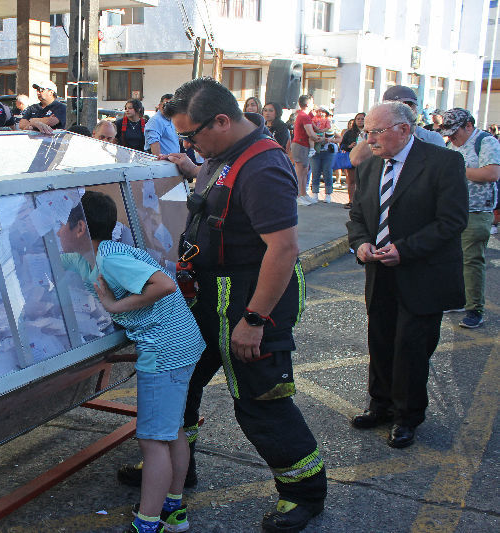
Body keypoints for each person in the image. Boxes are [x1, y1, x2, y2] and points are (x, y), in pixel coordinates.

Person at [135, 77, 327, 532]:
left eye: (192, 134)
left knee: (262, 401)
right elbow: (218, 200)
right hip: (207, 298)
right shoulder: (219, 156)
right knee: (180, 383)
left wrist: (254, 320)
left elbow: (283, 250)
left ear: (222, 120)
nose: (189, 143)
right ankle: (177, 471)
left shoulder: (263, 167)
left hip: (250, 300)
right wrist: (187, 166)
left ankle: (304, 493)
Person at [58, 191, 203, 533]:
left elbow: (164, 284)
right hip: (181, 345)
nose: (57, 232)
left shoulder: (110, 260)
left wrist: (116, 307)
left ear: (80, 228)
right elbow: (56, 260)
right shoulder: (97, 255)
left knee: (152, 440)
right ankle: (174, 509)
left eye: (62, 225)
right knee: (171, 431)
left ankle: (148, 522)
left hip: (165, 351)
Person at [347, 102, 468, 449]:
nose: (369, 139)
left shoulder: (443, 162)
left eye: (375, 132)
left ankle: (407, 416)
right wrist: (361, 244)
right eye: (366, 132)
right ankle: (380, 405)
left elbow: (452, 221)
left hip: (422, 273)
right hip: (379, 271)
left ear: (403, 129)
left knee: (412, 348)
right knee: (380, 340)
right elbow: (358, 215)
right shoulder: (371, 165)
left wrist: (405, 249)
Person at [440, 108, 500, 329]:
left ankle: (475, 309)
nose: (452, 138)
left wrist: (458, 170)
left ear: (469, 126)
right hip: (451, 211)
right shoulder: (450, 145)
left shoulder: (486, 142)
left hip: (476, 211)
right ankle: (457, 299)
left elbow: (492, 173)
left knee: (471, 260)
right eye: (448, 133)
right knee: (451, 258)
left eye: (455, 132)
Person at [350, 85, 444, 166]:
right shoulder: (369, 135)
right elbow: (356, 160)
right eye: (398, 107)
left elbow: (440, 168)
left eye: (409, 106)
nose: (406, 111)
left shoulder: (431, 138)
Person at [290, 95, 320, 205]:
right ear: (307, 104)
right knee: (300, 171)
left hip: (304, 145)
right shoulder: (303, 116)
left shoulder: (305, 115)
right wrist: (322, 139)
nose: (313, 104)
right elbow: (310, 133)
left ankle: (303, 194)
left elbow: (314, 129)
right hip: (300, 144)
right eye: (312, 102)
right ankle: (298, 195)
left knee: (305, 170)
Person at [309, 106, 339, 203]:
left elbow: (340, 138)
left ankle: (328, 194)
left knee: (328, 172)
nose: (320, 113)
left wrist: (331, 140)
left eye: (322, 112)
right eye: (318, 111)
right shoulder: (312, 122)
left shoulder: (332, 125)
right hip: (316, 151)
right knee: (315, 172)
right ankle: (315, 193)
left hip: (328, 152)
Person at [339, 112, 366, 208]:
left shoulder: (370, 132)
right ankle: (351, 201)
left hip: (366, 160)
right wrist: (349, 146)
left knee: (364, 182)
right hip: (352, 158)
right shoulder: (349, 133)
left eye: (362, 119)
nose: (360, 120)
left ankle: (363, 202)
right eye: (358, 119)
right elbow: (342, 145)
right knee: (351, 181)